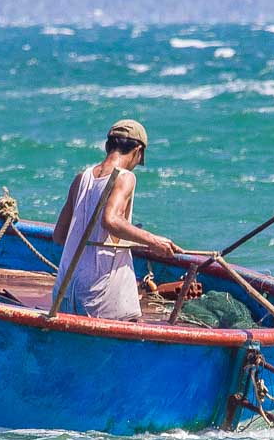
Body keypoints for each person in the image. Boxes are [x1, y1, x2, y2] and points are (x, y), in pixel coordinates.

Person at [51, 119, 181, 320]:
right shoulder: (125, 177)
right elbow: (110, 220)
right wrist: (153, 241)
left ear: (107, 146)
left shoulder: (81, 178)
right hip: (97, 296)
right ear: (138, 151)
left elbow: (59, 236)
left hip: (65, 291)